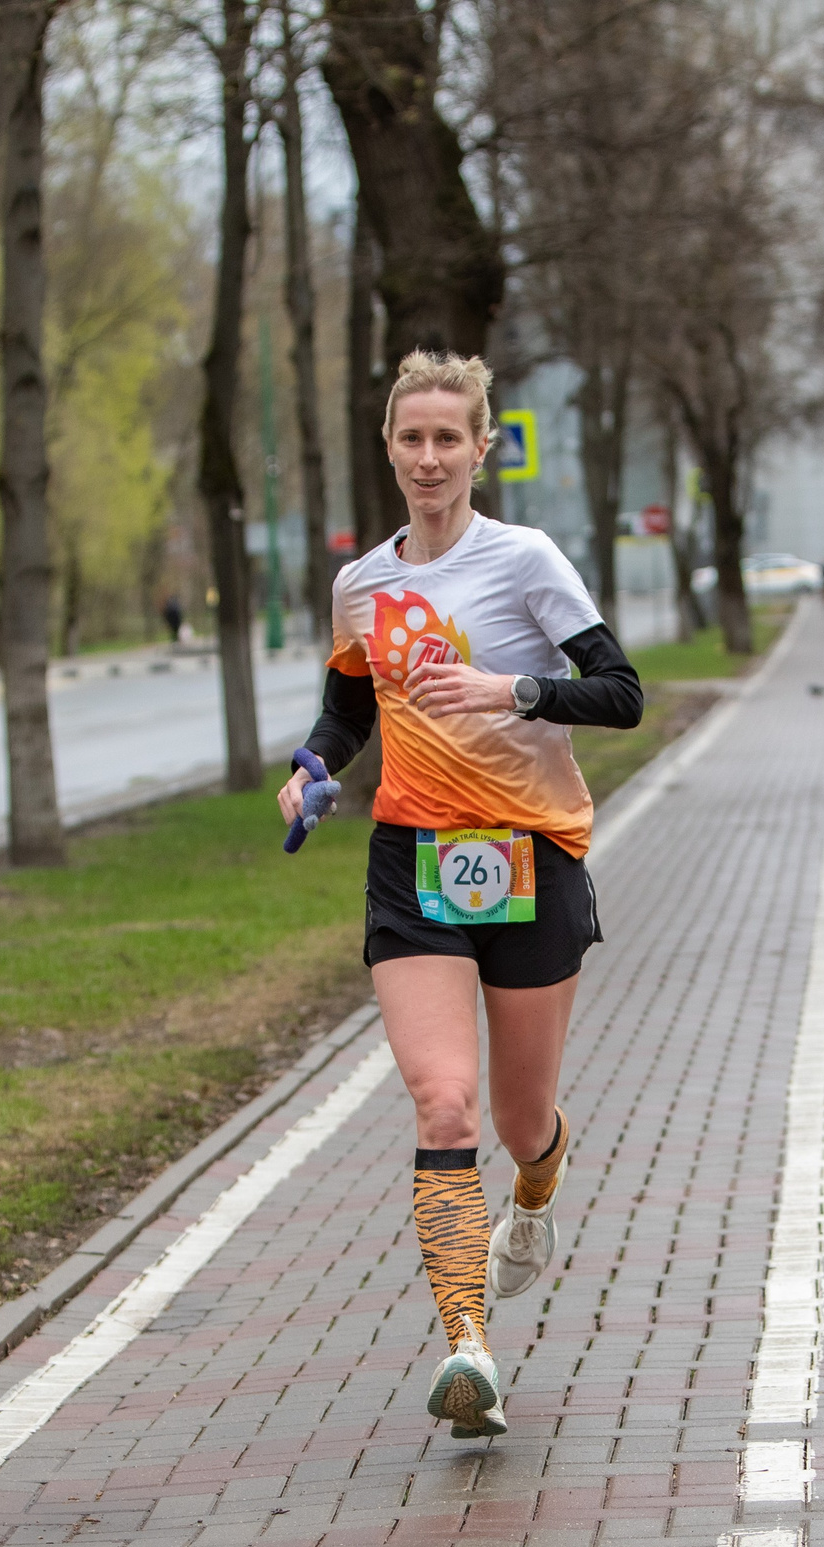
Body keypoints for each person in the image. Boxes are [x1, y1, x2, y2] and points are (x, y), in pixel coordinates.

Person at [281, 350, 642, 1439]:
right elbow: (350, 704)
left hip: (530, 856)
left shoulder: (523, 560)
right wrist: (312, 766)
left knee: (520, 1116)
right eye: (411, 437)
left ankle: (537, 1185)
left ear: (482, 447)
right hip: (415, 865)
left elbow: (620, 693)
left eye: (450, 438)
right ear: (387, 448)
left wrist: (511, 687)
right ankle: (467, 1344)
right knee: (444, 1101)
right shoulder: (363, 582)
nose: (429, 457)